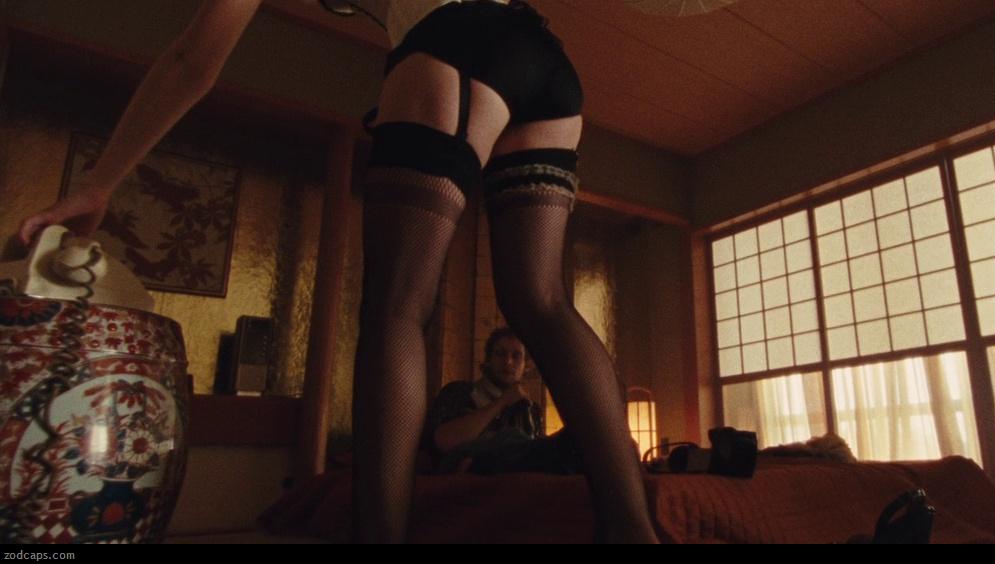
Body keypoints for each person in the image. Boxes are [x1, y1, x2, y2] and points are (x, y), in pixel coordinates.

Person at [17, 0, 657, 544]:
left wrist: (100, 183)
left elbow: (192, 60)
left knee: (397, 306)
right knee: (542, 302)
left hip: (456, 45)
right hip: (545, 64)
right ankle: (635, 531)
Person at [426, 327, 580, 475]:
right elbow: (443, 441)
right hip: (472, 463)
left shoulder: (530, 410)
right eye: (500, 354)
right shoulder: (460, 391)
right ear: (488, 360)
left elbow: (531, 452)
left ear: (525, 366)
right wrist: (502, 401)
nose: (508, 362)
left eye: (516, 356)